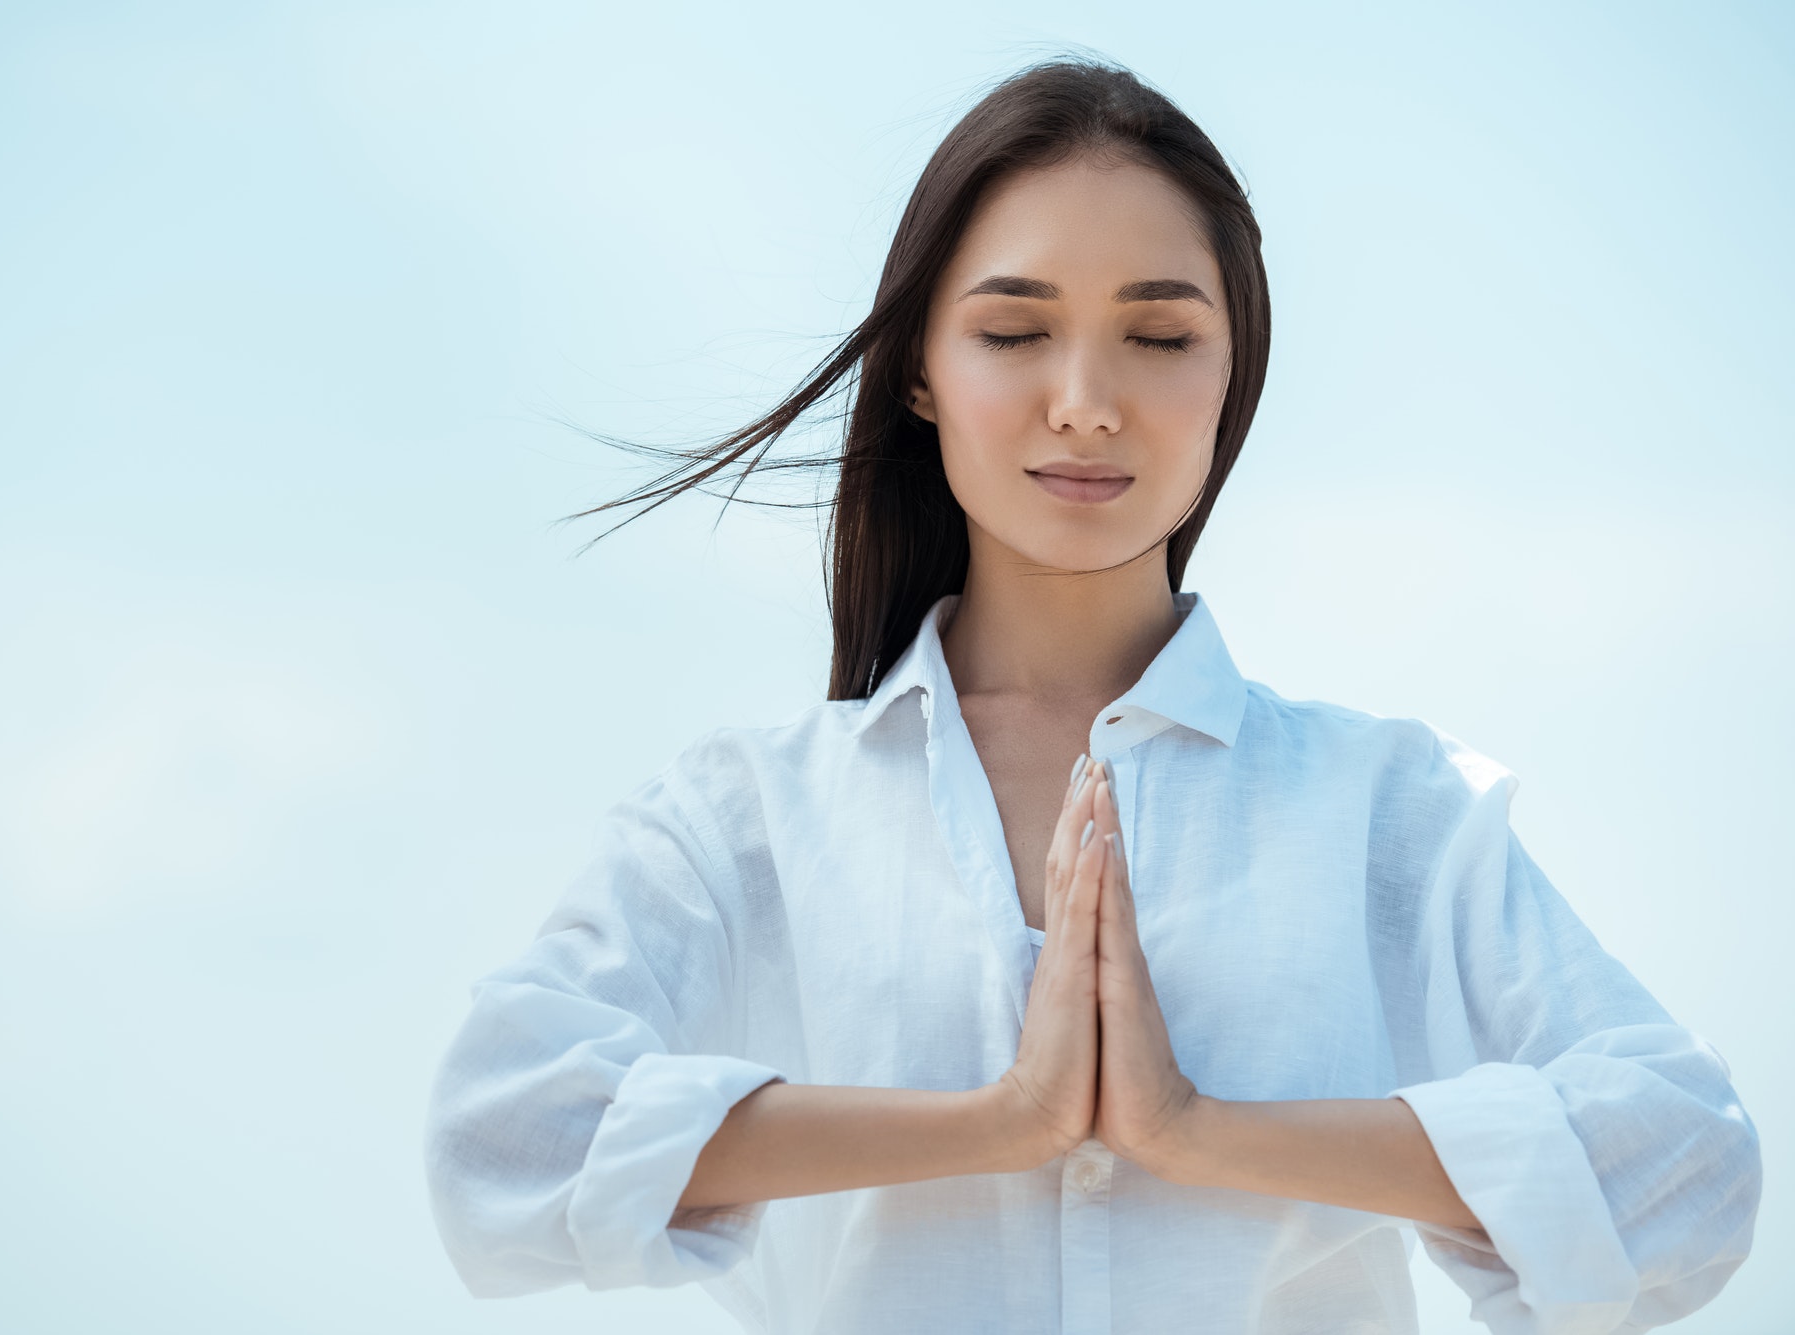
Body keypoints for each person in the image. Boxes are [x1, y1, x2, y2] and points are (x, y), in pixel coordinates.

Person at [421, 56, 1761, 1333]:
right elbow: (502, 1138)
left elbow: (1688, 1172)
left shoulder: (1390, 811)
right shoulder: (751, 814)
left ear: (1232, 377)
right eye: (1013, 330)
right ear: (920, 376)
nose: (1084, 402)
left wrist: (1196, 1132)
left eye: (1159, 335)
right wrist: (1000, 1122)